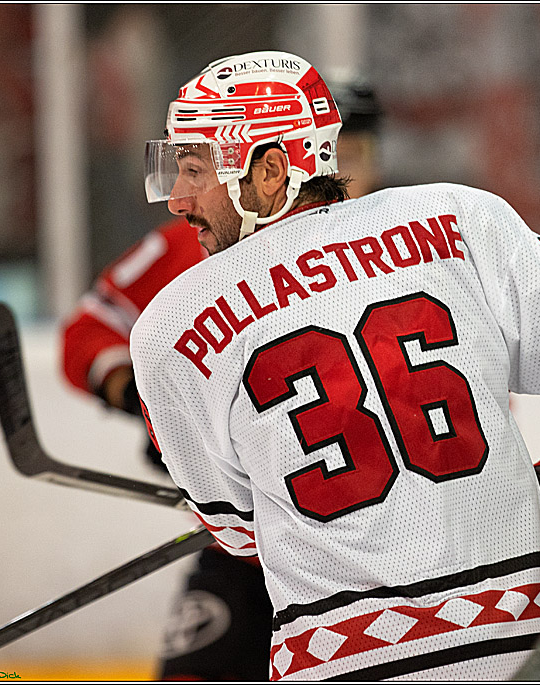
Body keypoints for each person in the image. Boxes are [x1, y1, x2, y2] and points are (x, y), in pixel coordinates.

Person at [129, 50, 540, 681]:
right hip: (522, 653)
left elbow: (241, 533)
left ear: (272, 172)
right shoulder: (458, 218)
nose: (175, 197)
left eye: (195, 170)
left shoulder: (170, 330)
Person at [60, 79, 387, 680]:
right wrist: (143, 398)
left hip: (376, 564)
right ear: (278, 161)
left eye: (359, 151)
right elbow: (88, 329)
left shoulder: (400, 247)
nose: (350, 168)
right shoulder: (199, 238)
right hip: (242, 554)